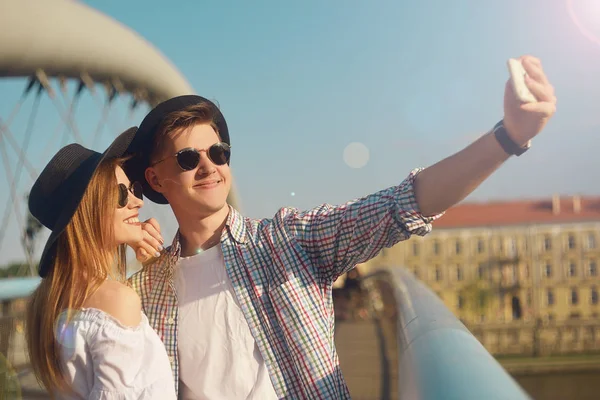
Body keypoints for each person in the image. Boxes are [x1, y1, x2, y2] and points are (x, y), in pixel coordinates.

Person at [125, 55, 556, 399]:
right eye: (187, 158)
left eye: (218, 153)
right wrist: (118, 240)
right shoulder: (148, 289)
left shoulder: (289, 241)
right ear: (157, 179)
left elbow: (402, 203)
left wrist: (508, 138)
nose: (209, 166)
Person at [25, 128, 176, 399]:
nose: (137, 202)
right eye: (121, 193)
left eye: (134, 189)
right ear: (87, 208)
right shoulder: (116, 301)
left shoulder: (50, 301)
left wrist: (153, 264)